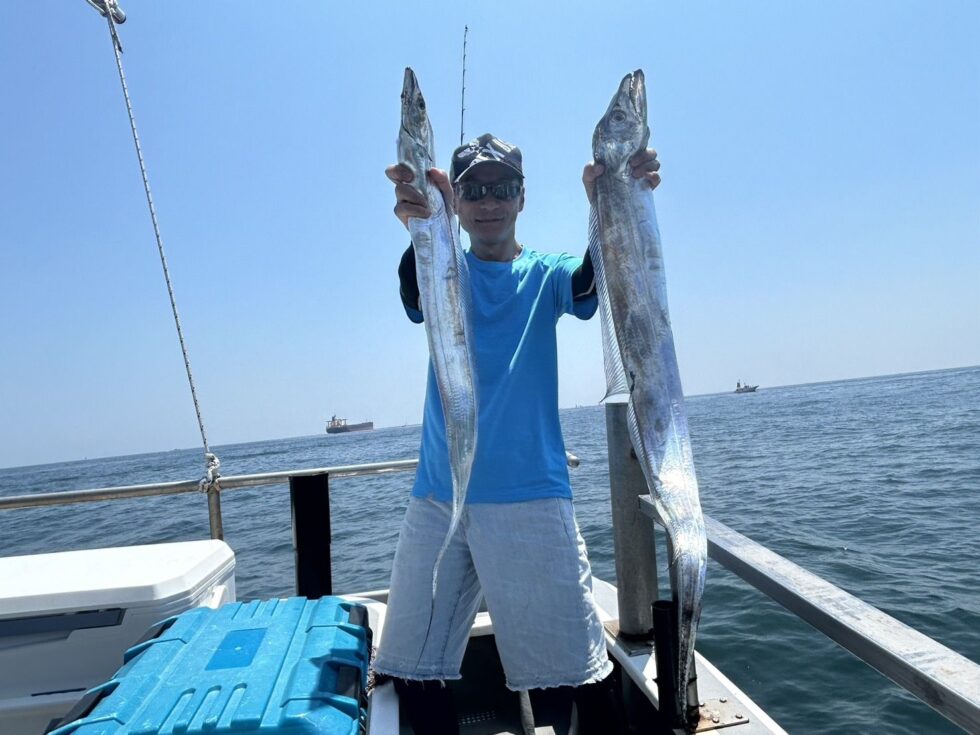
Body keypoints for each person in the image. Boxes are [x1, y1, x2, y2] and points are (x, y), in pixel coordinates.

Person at [374, 133, 661, 734]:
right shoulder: (442, 272)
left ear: (522, 198)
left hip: (529, 497)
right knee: (410, 667)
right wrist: (420, 229)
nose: (489, 202)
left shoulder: (546, 273)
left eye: (502, 188)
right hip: (438, 497)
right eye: (473, 190)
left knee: (578, 672)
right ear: (455, 202)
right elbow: (414, 289)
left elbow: (589, 284)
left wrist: (609, 202)